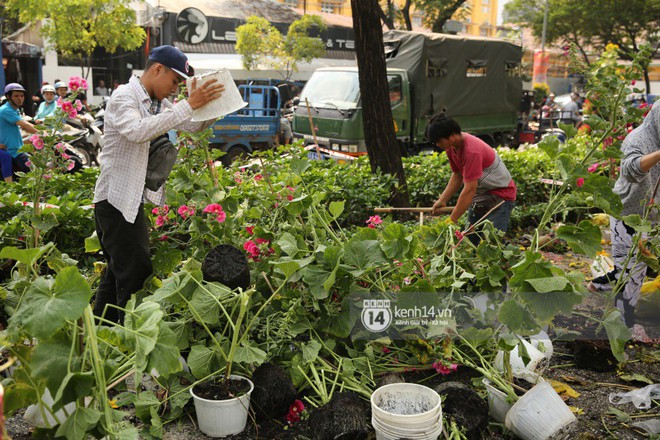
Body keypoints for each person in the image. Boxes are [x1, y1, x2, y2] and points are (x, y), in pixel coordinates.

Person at [92, 45, 224, 323]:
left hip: (127, 201)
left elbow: (191, 126)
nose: (176, 90)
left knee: (118, 270)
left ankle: (100, 329)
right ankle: (131, 335)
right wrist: (189, 104)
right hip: (113, 201)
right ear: (157, 69)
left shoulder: (157, 103)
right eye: (175, 81)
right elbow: (137, 131)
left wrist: (216, 105)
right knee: (136, 271)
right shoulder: (123, 97)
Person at [589, 103, 660, 340]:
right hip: (626, 214)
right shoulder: (637, 138)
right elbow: (631, 169)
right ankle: (624, 328)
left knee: (632, 269)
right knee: (631, 275)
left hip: (650, 217)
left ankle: (600, 284)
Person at [428, 112, 516, 244]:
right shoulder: (451, 148)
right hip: (482, 195)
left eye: (439, 141)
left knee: (493, 244)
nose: (438, 145)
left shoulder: (471, 151)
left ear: (451, 135)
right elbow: (457, 175)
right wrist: (442, 200)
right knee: (470, 242)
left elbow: (469, 189)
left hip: (501, 197)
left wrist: (452, 219)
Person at [0, 83, 39, 180]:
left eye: (22, 96)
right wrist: (42, 133)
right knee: (35, 173)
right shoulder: (6, 110)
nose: (20, 98)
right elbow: (25, 125)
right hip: (13, 151)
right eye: (16, 96)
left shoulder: (14, 110)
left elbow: (25, 122)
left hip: (17, 147)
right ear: (8, 96)